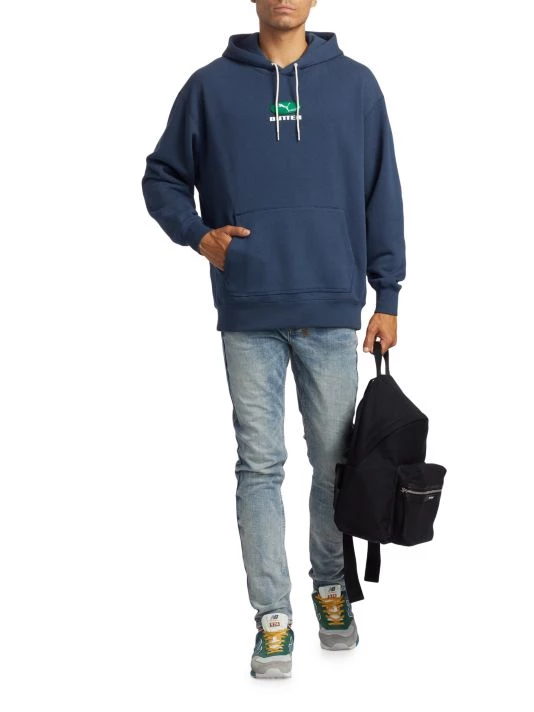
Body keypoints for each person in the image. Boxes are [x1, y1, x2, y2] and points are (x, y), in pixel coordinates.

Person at [141, 0, 405, 679]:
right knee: (258, 467)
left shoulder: (356, 84)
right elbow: (162, 176)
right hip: (249, 308)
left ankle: (330, 586)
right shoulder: (209, 86)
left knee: (335, 463)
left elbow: (382, 191)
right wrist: (199, 236)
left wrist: (388, 294)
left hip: (333, 307)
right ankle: (272, 617)